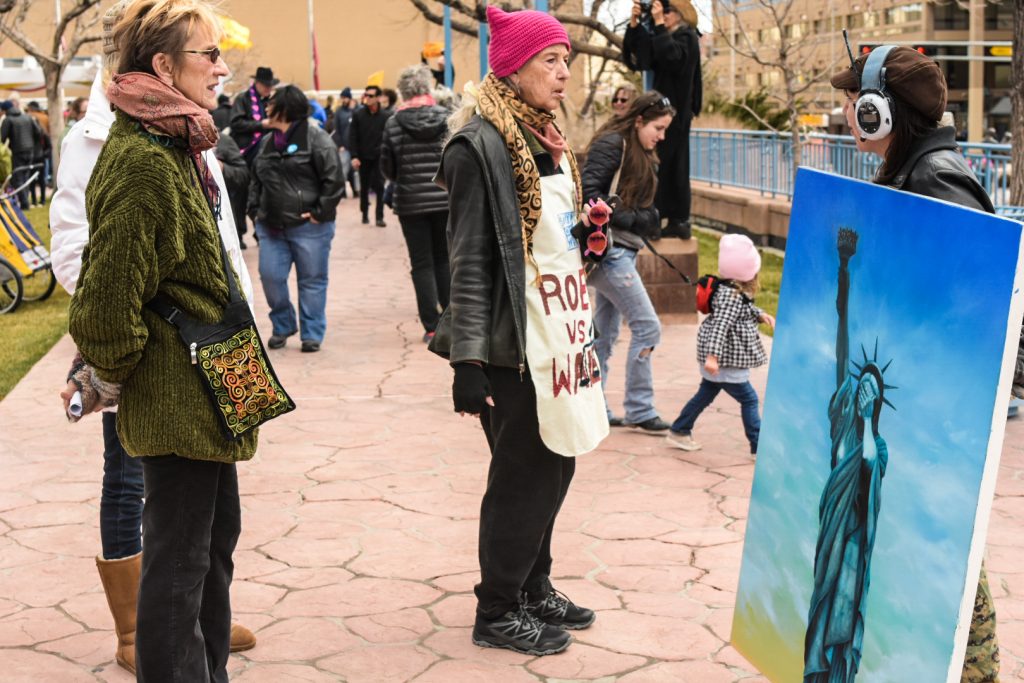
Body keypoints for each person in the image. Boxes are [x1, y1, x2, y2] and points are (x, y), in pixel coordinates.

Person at [51, 1, 258, 673]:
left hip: (207, 385)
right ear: (163, 65)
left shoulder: (178, 139)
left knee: (210, 545)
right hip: (177, 392)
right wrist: (103, 374)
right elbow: (109, 303)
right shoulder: (144, 158)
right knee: (178, 564)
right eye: (208, 53)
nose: (222, 67)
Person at [430, 5, 609, 657]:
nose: (563, 73)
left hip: (560, 332)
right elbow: (471, 260)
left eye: (566, 60)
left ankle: (534, 583)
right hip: (512, 344)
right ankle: (497, 607)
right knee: (523, 475)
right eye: (550, 61)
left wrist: (589, 239)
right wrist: (467, 363)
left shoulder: (547, 136)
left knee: (557, 463)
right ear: (512, 67)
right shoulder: (478, 145)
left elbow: (547, 240)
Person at [823, 45, 999, 683]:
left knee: (950, 575)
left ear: (879, 113)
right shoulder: (909, 174)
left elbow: (972, 311)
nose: (845, 113)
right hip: (911, 422)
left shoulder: (937, 180)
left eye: (852, 102)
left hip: (934, 428)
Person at [581, 90, 675, 432]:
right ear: (639, 120)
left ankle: (592, 406)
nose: (661, 137)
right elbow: (589, 193)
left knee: (604, 336)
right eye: (658, 128)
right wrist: (637, 218)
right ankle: (639, 408)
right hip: (609, 253)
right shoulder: (612, 144)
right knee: (647, 327)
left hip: (622, 250)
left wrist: (644, 217)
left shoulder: (638, 149)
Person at [248, 85, 344, 353]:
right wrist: (255, 211)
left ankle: (312, 333)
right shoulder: (267, 142)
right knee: (270, 277)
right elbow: (256, 180)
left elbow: (334, 180)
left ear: (285, 108)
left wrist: (319, 213)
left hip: (310, 227)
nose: (266, 106)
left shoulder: (316, 138)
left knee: (312, 280)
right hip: (271, 226)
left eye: (271, 103)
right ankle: (283, 324)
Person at [666, 234, 773, 452]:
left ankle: (680, 429)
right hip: (725, 360)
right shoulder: (732, 296)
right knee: (750, 400)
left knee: (705, 395)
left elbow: (745, 309)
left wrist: (761, 315)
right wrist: (712, 357)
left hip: (723, 361)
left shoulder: (730, 291)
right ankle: (758, 444)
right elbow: (720, 327)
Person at [381, 64, 451, 344]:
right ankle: (450, 318)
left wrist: (404, 177)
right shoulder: (447, 117)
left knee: (421, 262)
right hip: (445, 198)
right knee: (445, 259)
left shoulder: (394, 123)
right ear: (428, 87)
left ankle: (431, 325)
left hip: (410, 203)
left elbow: (388, 166)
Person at [622, 0, 702, 239]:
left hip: (677, 114)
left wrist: (657, 24)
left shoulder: (688, 37)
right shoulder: (664, 36)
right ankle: (658, 218)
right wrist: (634, 26)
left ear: (681, 14)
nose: (663, 16)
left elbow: (673, 59)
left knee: (672, 166)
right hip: (663, 112)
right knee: (659, 165)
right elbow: (640, 59)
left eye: (667, 11)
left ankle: (675, 219)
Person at [348, 84, 390, 226]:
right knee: (364, 187)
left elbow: (389, 137)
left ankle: (379, 217)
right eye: (366, 95)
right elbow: (352, 136)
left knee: (380, 186)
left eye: (371, 96)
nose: (368, 98)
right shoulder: (358, 115)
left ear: (378, 98)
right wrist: (354, 156)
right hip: (363, 157)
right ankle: (364, 213)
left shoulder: (386, 116)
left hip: (379, 157)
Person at [230, 65, 278, 165]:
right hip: (246, 151)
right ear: (257, 83)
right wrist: (261, 125)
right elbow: (236, 123)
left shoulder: (270, 100)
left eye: (270, 85)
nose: (269, 88)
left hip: (266, 150)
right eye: (266, 85)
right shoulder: (242, 98)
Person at [331, 86, 359, 199]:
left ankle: (356, 190)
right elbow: (336, 129)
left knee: (354, 171)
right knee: (343, 171)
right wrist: (340, 144)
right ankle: (342, 192)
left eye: (345, 98)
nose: (343, 100)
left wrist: (353, 109)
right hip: (344, 146)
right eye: (342, 98)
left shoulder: (356, 110)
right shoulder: (339, 112)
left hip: (355, 147)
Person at [26, 100, 51, 205]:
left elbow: (48, 145)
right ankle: (39, 200)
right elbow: (49, 145)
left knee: (36, 180)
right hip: (38, 156)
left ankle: (39, 200)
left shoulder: (37, 132)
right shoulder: (41, 130)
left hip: (37, 157)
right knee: (38, 180)